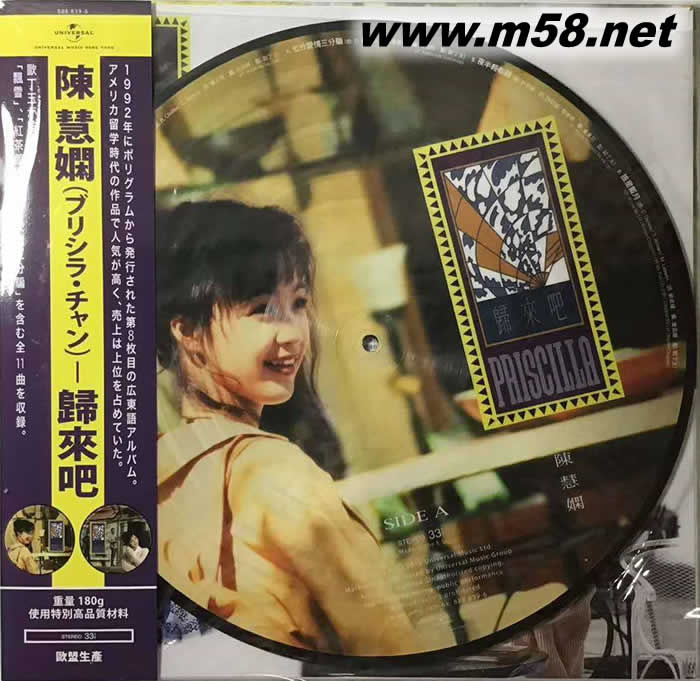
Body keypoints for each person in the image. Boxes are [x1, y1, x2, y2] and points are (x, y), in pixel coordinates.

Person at [156, 200, 419, 655]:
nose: (295, 332)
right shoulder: (276, 475)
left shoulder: (159, 476)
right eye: (261, 309)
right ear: (189, 332)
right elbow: (390, 648)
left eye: (297, 303)